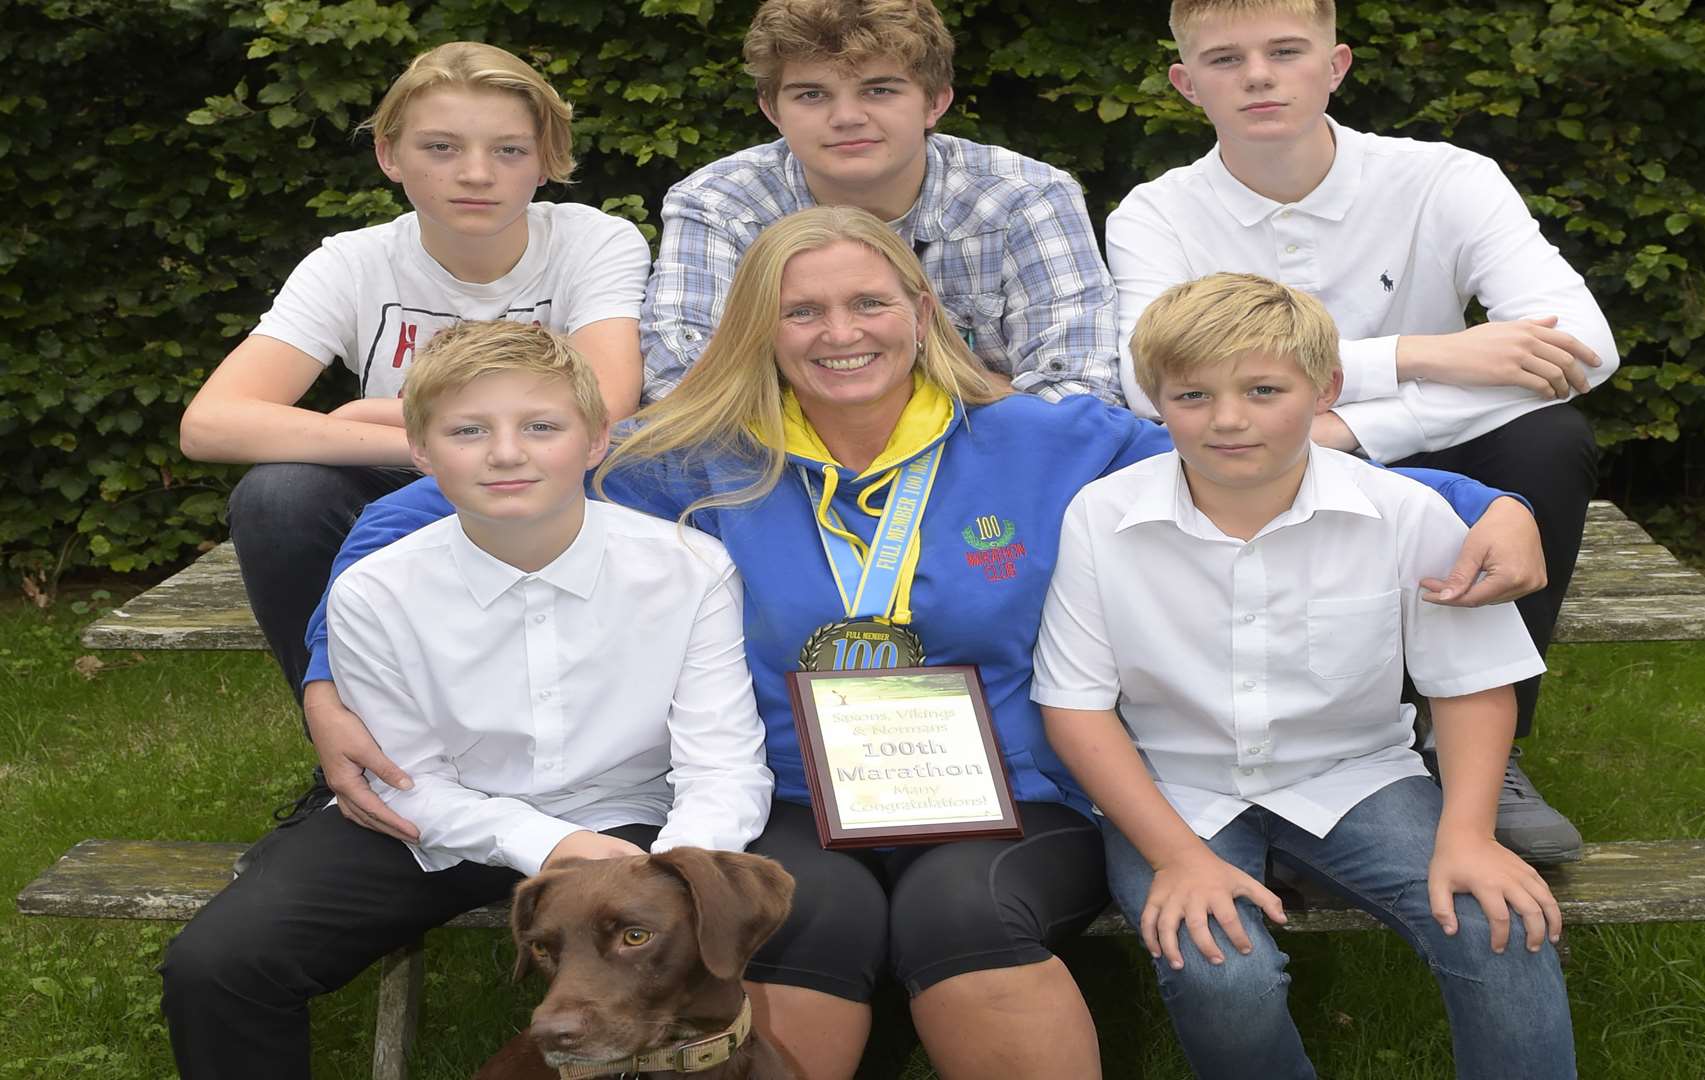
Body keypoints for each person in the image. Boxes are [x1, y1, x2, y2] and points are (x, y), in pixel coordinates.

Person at [300, 207, 1538, 1079]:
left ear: (918, 307)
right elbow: (439, 504)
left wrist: (1492, 506)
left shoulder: (1050, 442)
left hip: (1014, 794)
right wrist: (322, 668)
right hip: (793, 791)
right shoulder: (690, 461)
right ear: (761, 329)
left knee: (964, 919)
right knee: (808, 921)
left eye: (867, 301)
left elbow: (1254, 454)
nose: (841, 331)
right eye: (803, 311)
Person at [159, 320, 770, 1079]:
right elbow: (402, 777)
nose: (507, 453)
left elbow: (721, 763)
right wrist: (552, 847)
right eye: (469, 430)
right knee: (219, 963)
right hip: (430, 822)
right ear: (420, 450)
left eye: (541, 426)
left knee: (775, 931)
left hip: (633, 819)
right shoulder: (377, 591)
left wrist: (679, 868)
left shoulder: (689, 569)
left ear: (596, 440)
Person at [1105, 0, 1623, 863]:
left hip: (1417, 447)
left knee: (1549, 439)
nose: (1260, 75)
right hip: (1250, 459)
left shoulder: (1445, 178)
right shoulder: (1156, 213)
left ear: (1336, 65)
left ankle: (1493, 754)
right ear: (1185, 84)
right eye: (1226, 60)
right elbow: (1143, 385)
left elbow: (1582, 348)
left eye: (1285, 51)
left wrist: (1349, 427)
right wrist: (1428, 354)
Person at [1035, 273, 1574, 1079]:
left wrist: (1467, 835)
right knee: (1223, 974)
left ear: (1323, 389)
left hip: (1354, 772)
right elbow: (1076, 708)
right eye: (1191, 395)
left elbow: (1470, 683)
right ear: (1152, 399)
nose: (1227, 419)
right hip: (1176, 788)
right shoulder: (1101, 517)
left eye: (1262, 390)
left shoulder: (1403, 512)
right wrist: (1177, 858)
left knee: (1495, 922)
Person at [177, 41, 648, 704]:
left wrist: (370, 413)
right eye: (441, 148)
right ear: (389, 155)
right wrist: (424, 445)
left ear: (544, 161)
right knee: (279, 497)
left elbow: (605, 405)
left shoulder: (593, 241)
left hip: (552, 484)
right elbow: (211, 423)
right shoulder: (353, 263)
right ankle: (344, 732)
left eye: (509, 150)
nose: (476, 174)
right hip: (410, 491)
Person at [639, 0, 1121, 405]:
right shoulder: (720, 204)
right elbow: (678, 386)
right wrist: (972, 388)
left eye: (879, 90)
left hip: (988, 466)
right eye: (812, 94)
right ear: (772, 110)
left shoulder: (1024, 197)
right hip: (783, 467)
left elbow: (1082, 396)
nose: (847, 117)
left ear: (935, 102)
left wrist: (824, 388)